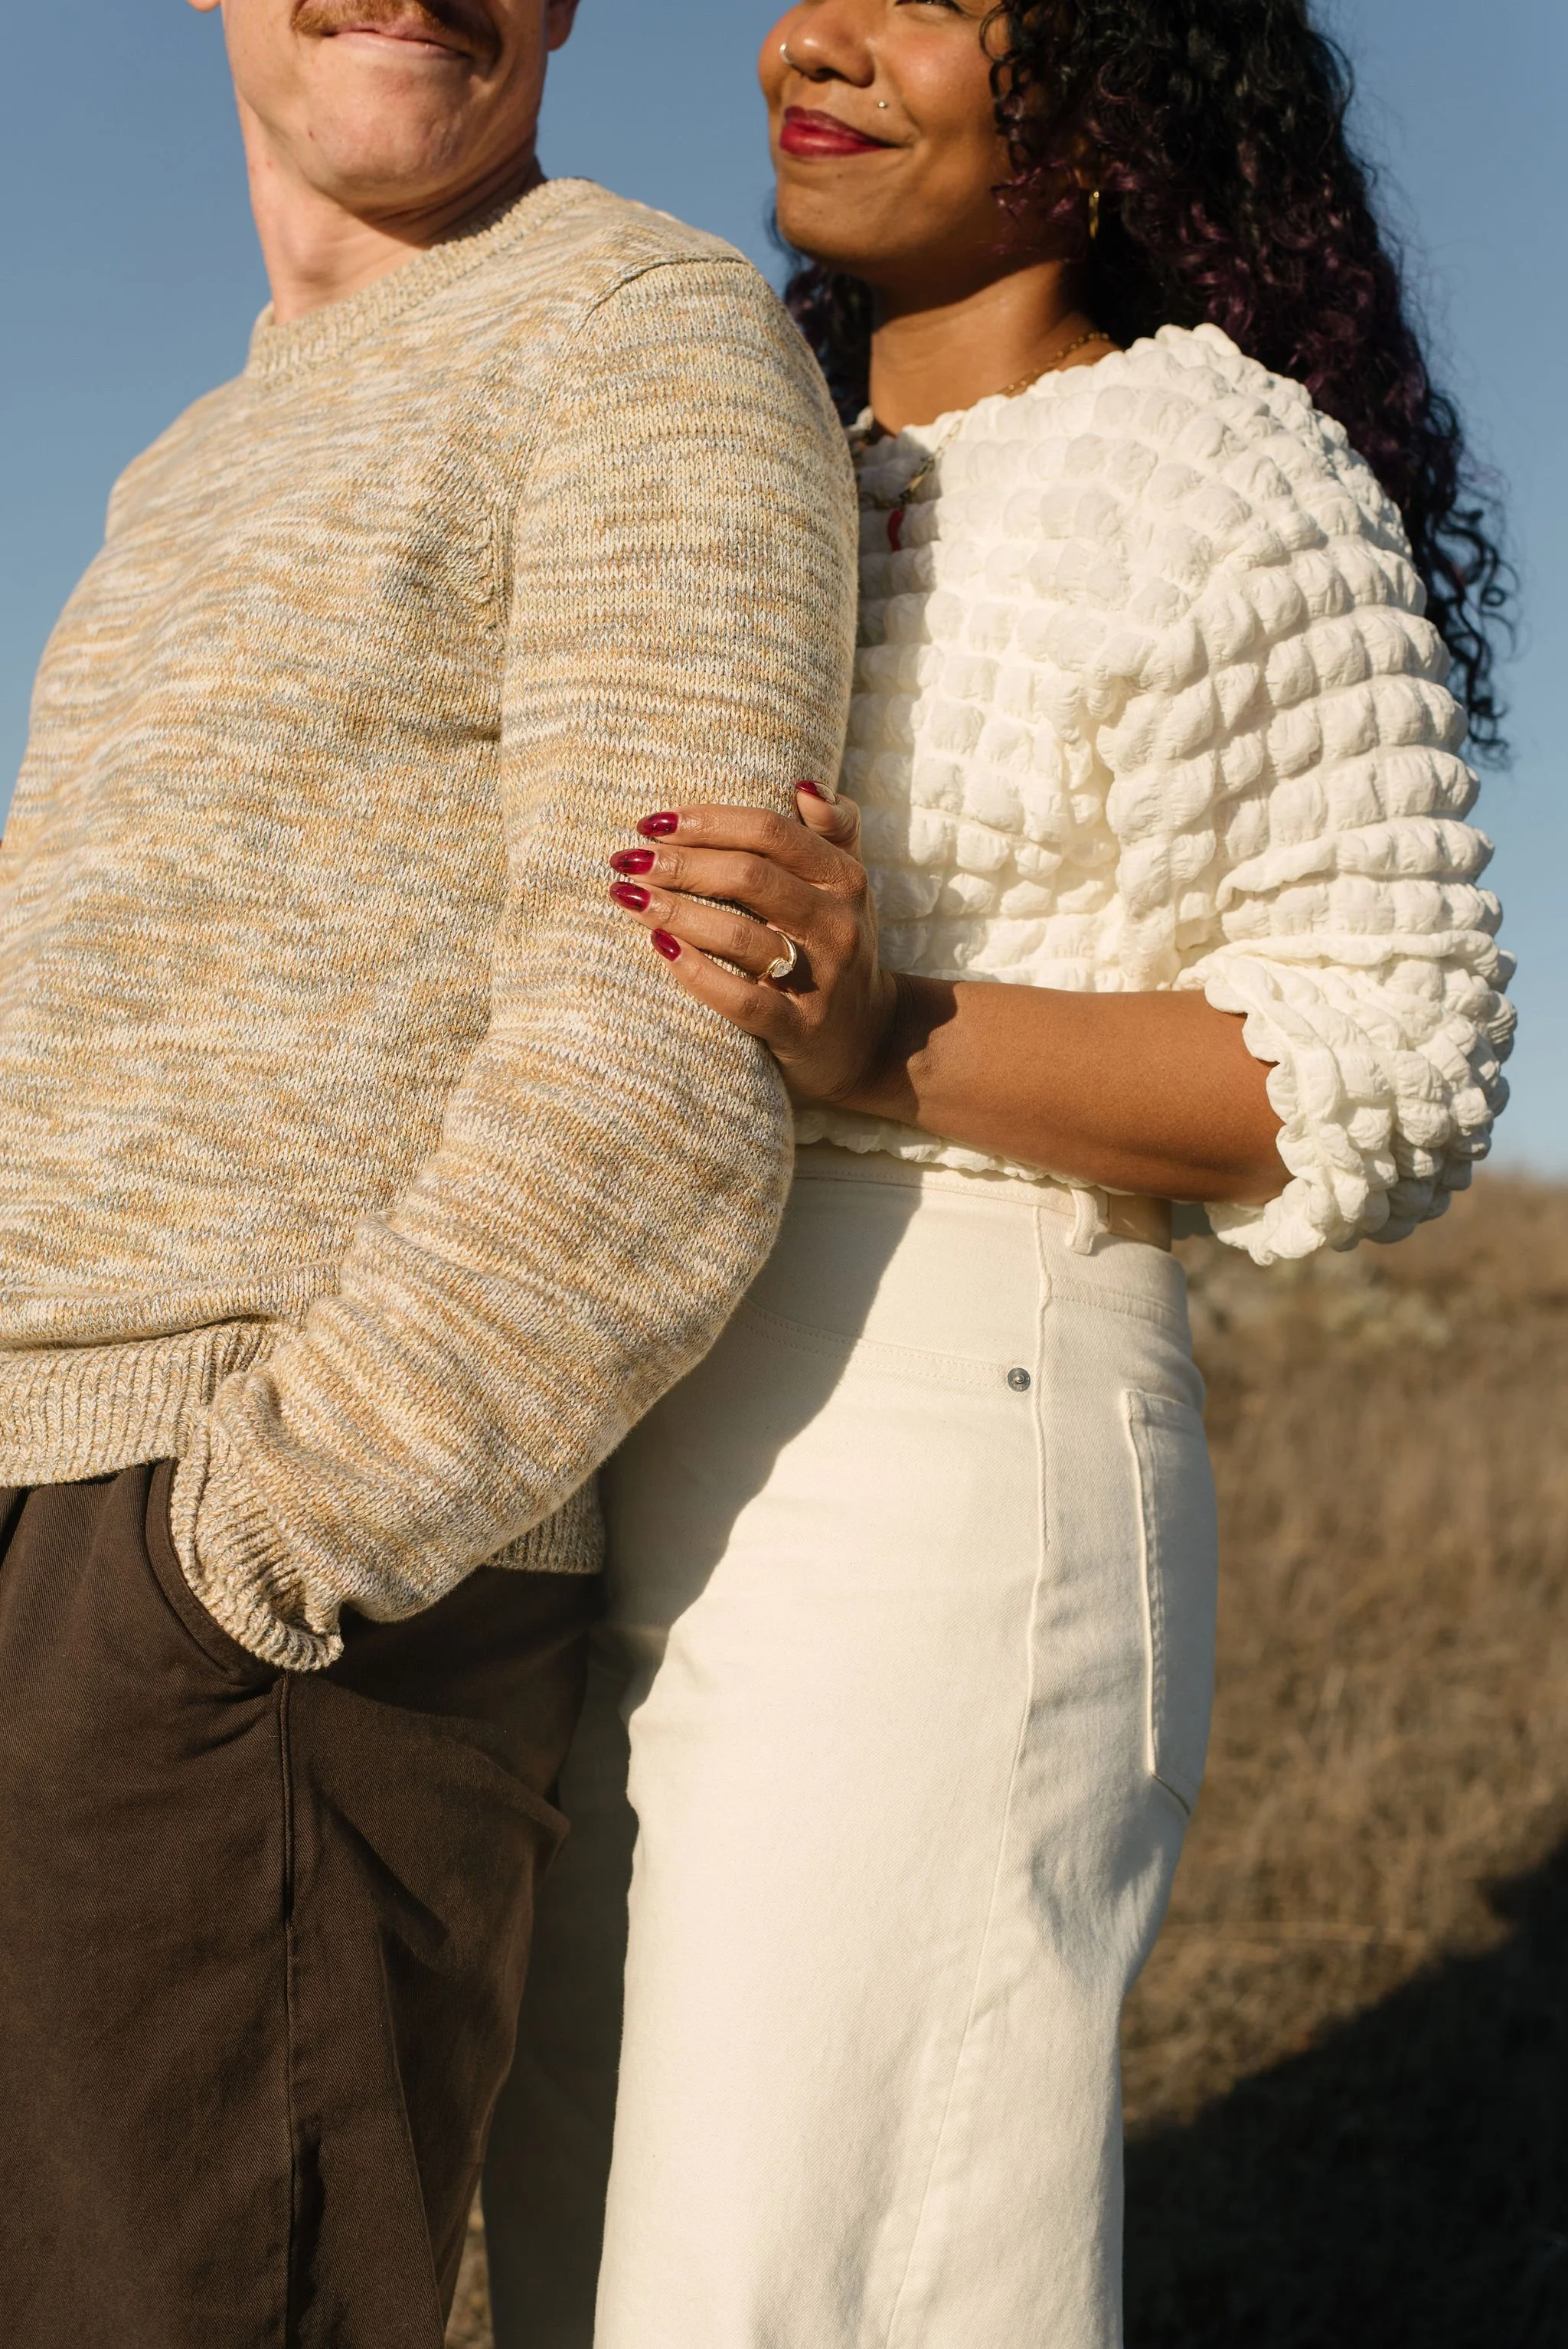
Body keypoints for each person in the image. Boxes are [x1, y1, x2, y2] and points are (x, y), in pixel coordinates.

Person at [482, 2, 1514, 2344]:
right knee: (578, 2249)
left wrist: (897, 1028)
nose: (813, 39)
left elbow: (1395, 1049)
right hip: (608, 1414)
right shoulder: (727, 422)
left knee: (790, 2277)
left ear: (1132, 78)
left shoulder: (1216, 474)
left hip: (951, 1450)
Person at [0, 0, 858, 2340]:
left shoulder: (639, 335)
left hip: (260, 1627)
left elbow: (665, 1056)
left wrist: (246, 1557)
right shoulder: (183, 460)